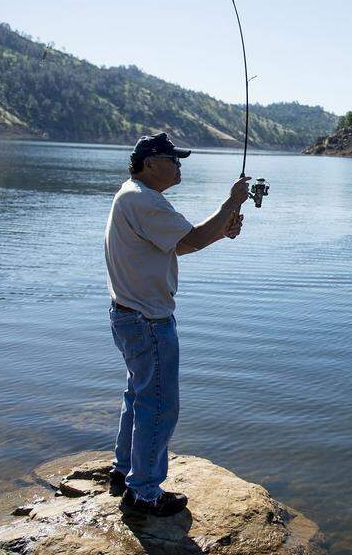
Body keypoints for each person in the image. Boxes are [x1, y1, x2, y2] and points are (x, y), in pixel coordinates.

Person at [104, 132, 250, 517]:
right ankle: (144, 491)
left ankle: (123, 472)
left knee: (139, 396)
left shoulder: (135, 196)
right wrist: (230, 204)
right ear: (150, 163)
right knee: (159, 404)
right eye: (173, 159)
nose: (179, 165)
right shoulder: (143, 200)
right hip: (148, 320)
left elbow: (184, 245)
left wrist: (221, 230)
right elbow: (194, 239)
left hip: (129, 315)